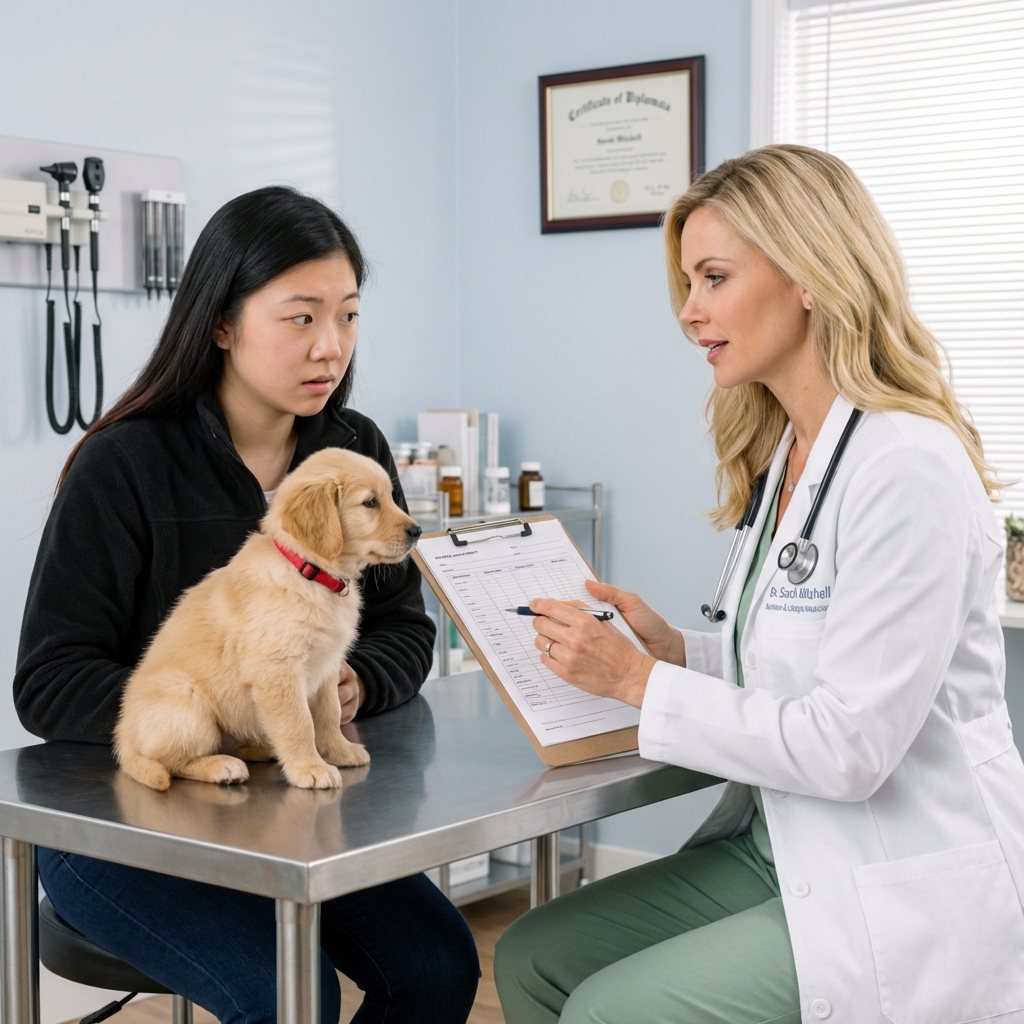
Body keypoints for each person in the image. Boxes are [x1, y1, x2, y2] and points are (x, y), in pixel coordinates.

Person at [494, 145, 1024, 1024]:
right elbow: (803, 660)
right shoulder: (792, 450)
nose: (689, 312)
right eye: (688, 284)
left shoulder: (906, 467)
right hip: (786, 842)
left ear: (809, 274)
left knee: (611, 1010)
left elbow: (849, 745)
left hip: (898, 872)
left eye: (712, 278)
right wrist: (680, 650)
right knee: (534, 956)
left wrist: (637, 681)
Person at [15, 186, 479, 1024]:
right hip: (123, 823)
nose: (330, 347)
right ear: (222, 324)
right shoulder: (123, 465)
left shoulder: (356, 452)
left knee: (439, 966)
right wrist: (218, 713)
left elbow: (407, 629)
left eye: (347, 316)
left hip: (284, 809)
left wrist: (353, 687)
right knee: (283, 994)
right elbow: (49, 681)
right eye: (300, 318)